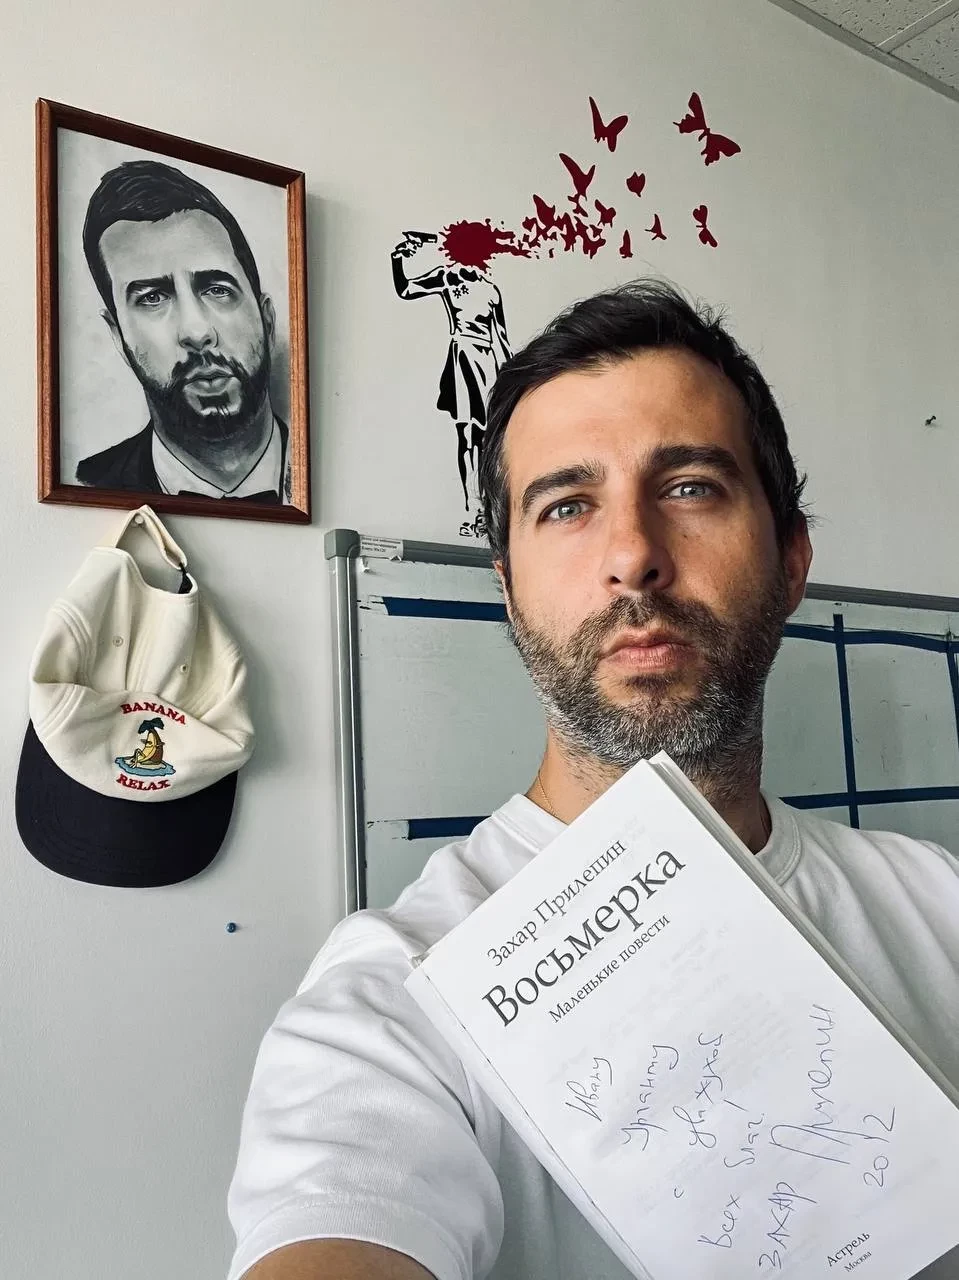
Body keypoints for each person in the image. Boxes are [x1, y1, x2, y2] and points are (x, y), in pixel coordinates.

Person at [227, 281, 959, 1280]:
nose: (631, 556)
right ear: (507, 588)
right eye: (567, 505)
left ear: (790, 558)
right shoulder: (396, 993)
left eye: (690, 487)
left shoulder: (936, 899)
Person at [76, 160, 290, 503]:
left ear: (266, 318)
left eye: (217, 289)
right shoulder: (88, 483)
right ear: (118, 336)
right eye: (152, 298)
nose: (196, 331)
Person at [392, 230, 512, 528]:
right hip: (463, 356)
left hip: (488, 361)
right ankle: (471, 503)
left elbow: (501, 337)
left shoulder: (491, 290)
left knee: (487, 437)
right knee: (467, 434)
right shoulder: (447, 279)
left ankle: (486, 508)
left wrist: (514, 379)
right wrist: (398, 259)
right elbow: (406, 290)